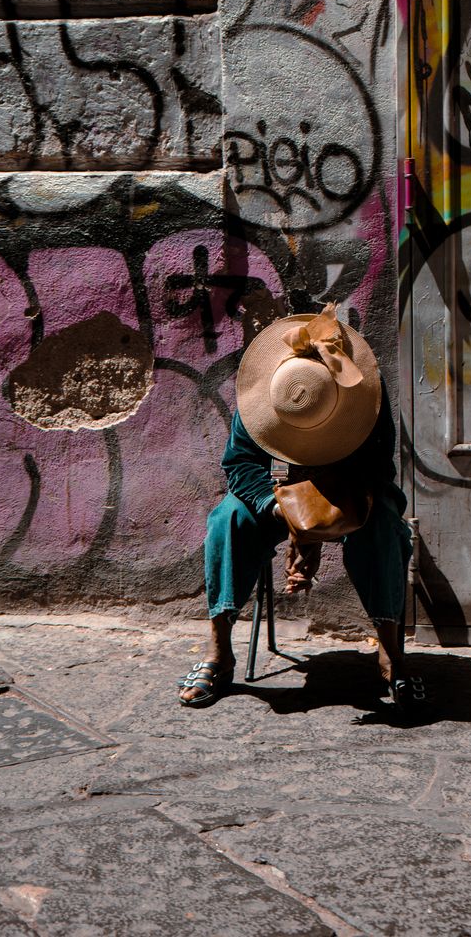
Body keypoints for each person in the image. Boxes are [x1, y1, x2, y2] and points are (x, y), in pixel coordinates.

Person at [177, 304, 422, 713]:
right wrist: (280, 510)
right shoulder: (262, 394)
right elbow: (239, 465)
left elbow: (379, 470)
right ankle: (219, 651)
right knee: (227, 519)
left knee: (384, 525)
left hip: (350, 493)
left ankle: (391, 652)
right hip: (278, 497)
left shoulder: (367, 396)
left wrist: (326, 516)